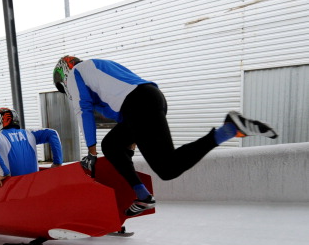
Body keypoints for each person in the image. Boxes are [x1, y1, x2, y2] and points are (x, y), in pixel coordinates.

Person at [53, 56, 278, 216]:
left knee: (167, 168)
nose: (67, 92)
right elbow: (123, 106)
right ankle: (142, 196)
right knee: (111, 144)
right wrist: (129, 144)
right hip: (148, 99)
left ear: (64, 72)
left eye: (64, 89)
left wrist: (90, 152)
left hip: (139, 104)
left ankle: (227, 131)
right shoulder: (100, 67)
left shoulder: (75, 73)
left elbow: (83, 109)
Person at [0, 107, 63, 187]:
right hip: (35, 185)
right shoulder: (29, 133)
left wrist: (3, 172)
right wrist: (57, 163)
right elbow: (52, 133)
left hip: (12, 187)